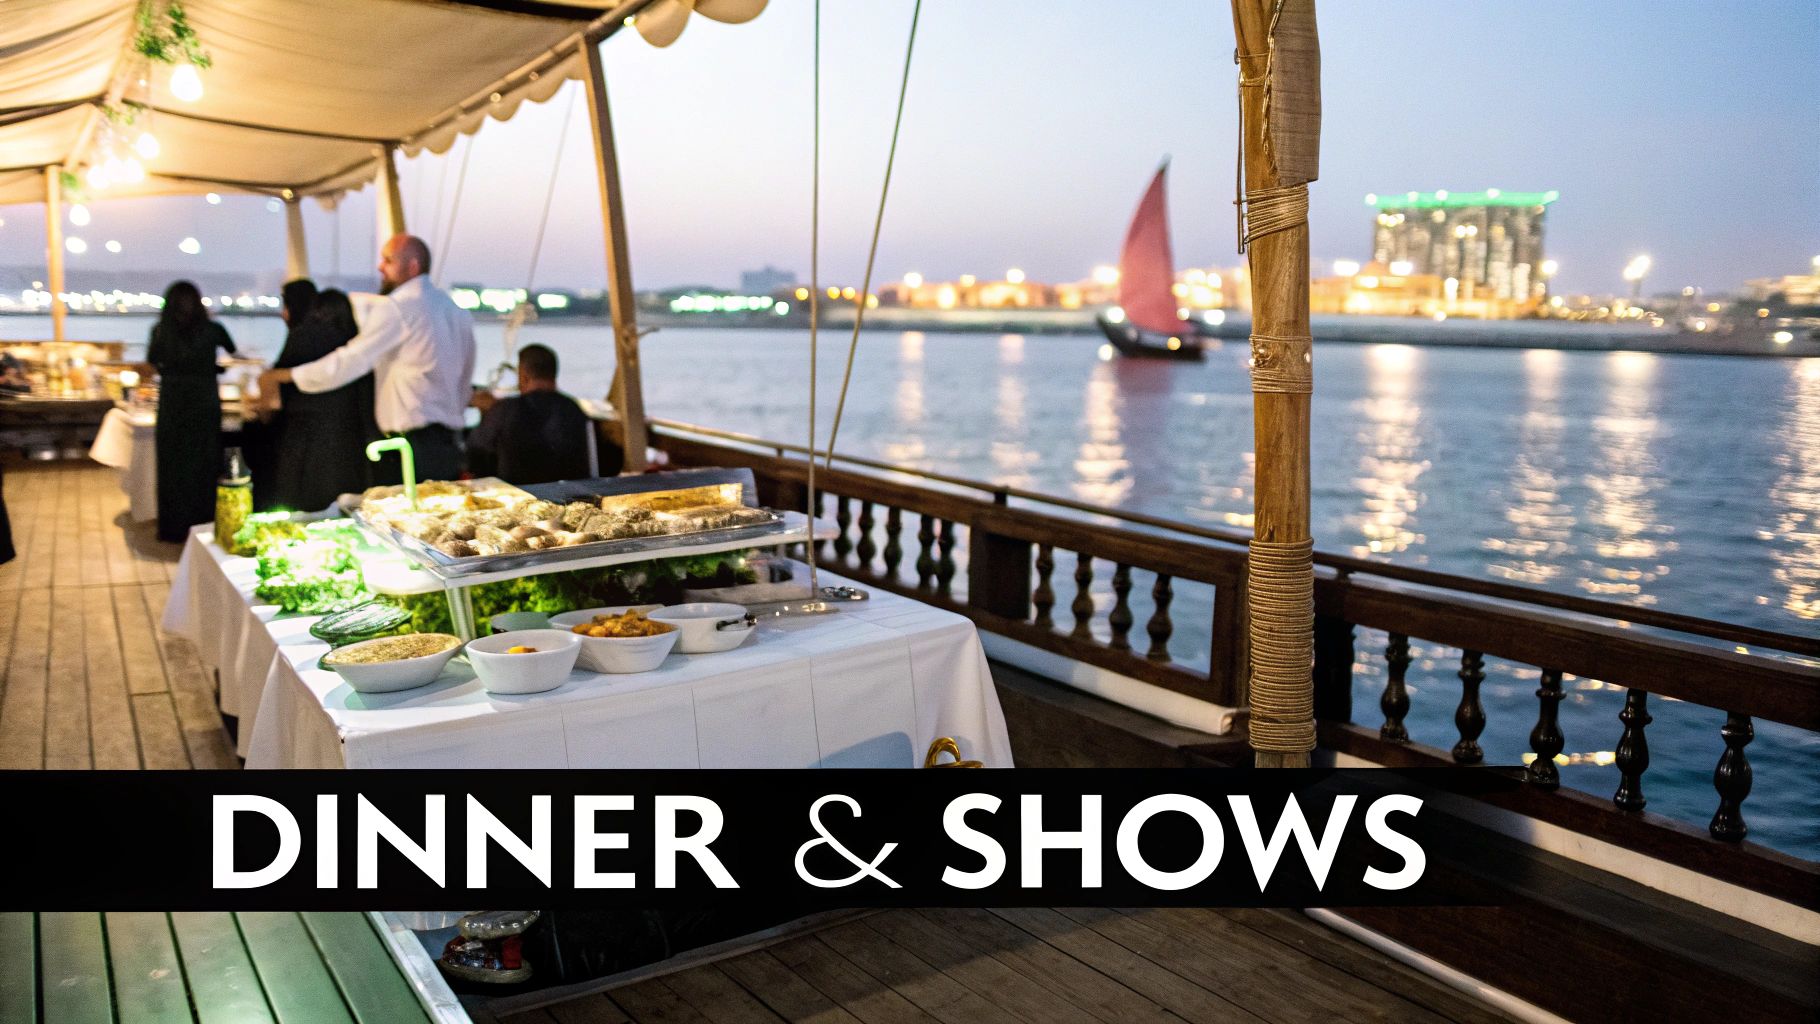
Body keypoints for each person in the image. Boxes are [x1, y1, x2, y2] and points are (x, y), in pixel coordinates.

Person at [258, 234, 476, 482]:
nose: (380, 267)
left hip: (410, 447)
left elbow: (352, 360)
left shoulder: (398, 307)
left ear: (413, 265)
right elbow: (465, 376)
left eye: (388, 260)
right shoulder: (457, 311)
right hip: (450, 445)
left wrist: (288, 375)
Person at [269, 289, 379, 510]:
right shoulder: (355, 343)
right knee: (342, 504)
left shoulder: (301, 336)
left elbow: (280, 386)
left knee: (301, 502)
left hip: (304, 435)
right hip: (348, 437)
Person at [147, 280, 236, 542]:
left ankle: (173, 528)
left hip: (173, 401)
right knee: (204, 463)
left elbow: (154, 361)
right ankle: (204, 523)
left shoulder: (161, 331)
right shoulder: (213, 329)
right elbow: (232, 352)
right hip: (204, 400)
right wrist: (213, 368)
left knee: (172, 465)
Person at [466, 344, 600, 484]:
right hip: (570, 497)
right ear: (553, 374)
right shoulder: (575, 411)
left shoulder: (505, 410)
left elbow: (475, 454)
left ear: (523, 376)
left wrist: (486, 415)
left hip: (517, 497)